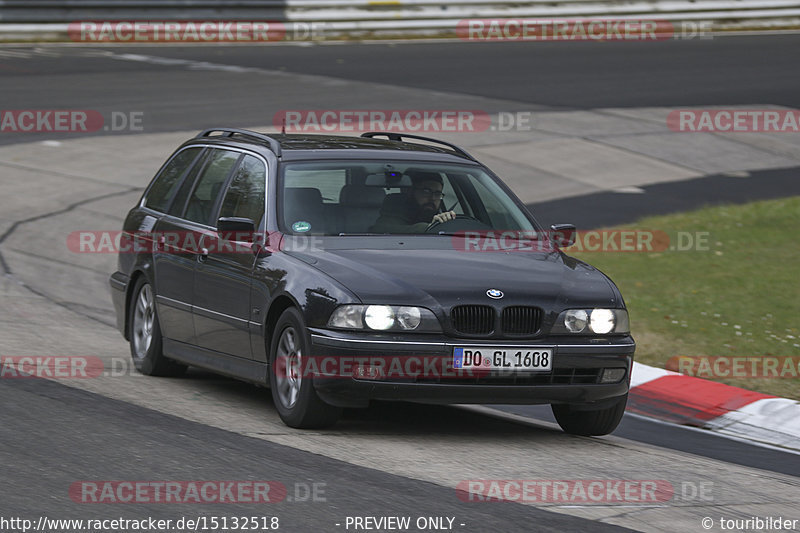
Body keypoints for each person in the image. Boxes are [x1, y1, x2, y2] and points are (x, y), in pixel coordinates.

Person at [371, 170, 456, 233]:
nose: (432, 198)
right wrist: (430, 227)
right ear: (410, 192)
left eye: (437, 194)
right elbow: (382, 229)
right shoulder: (393, 213)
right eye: (426, 192)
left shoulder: (442, 218)